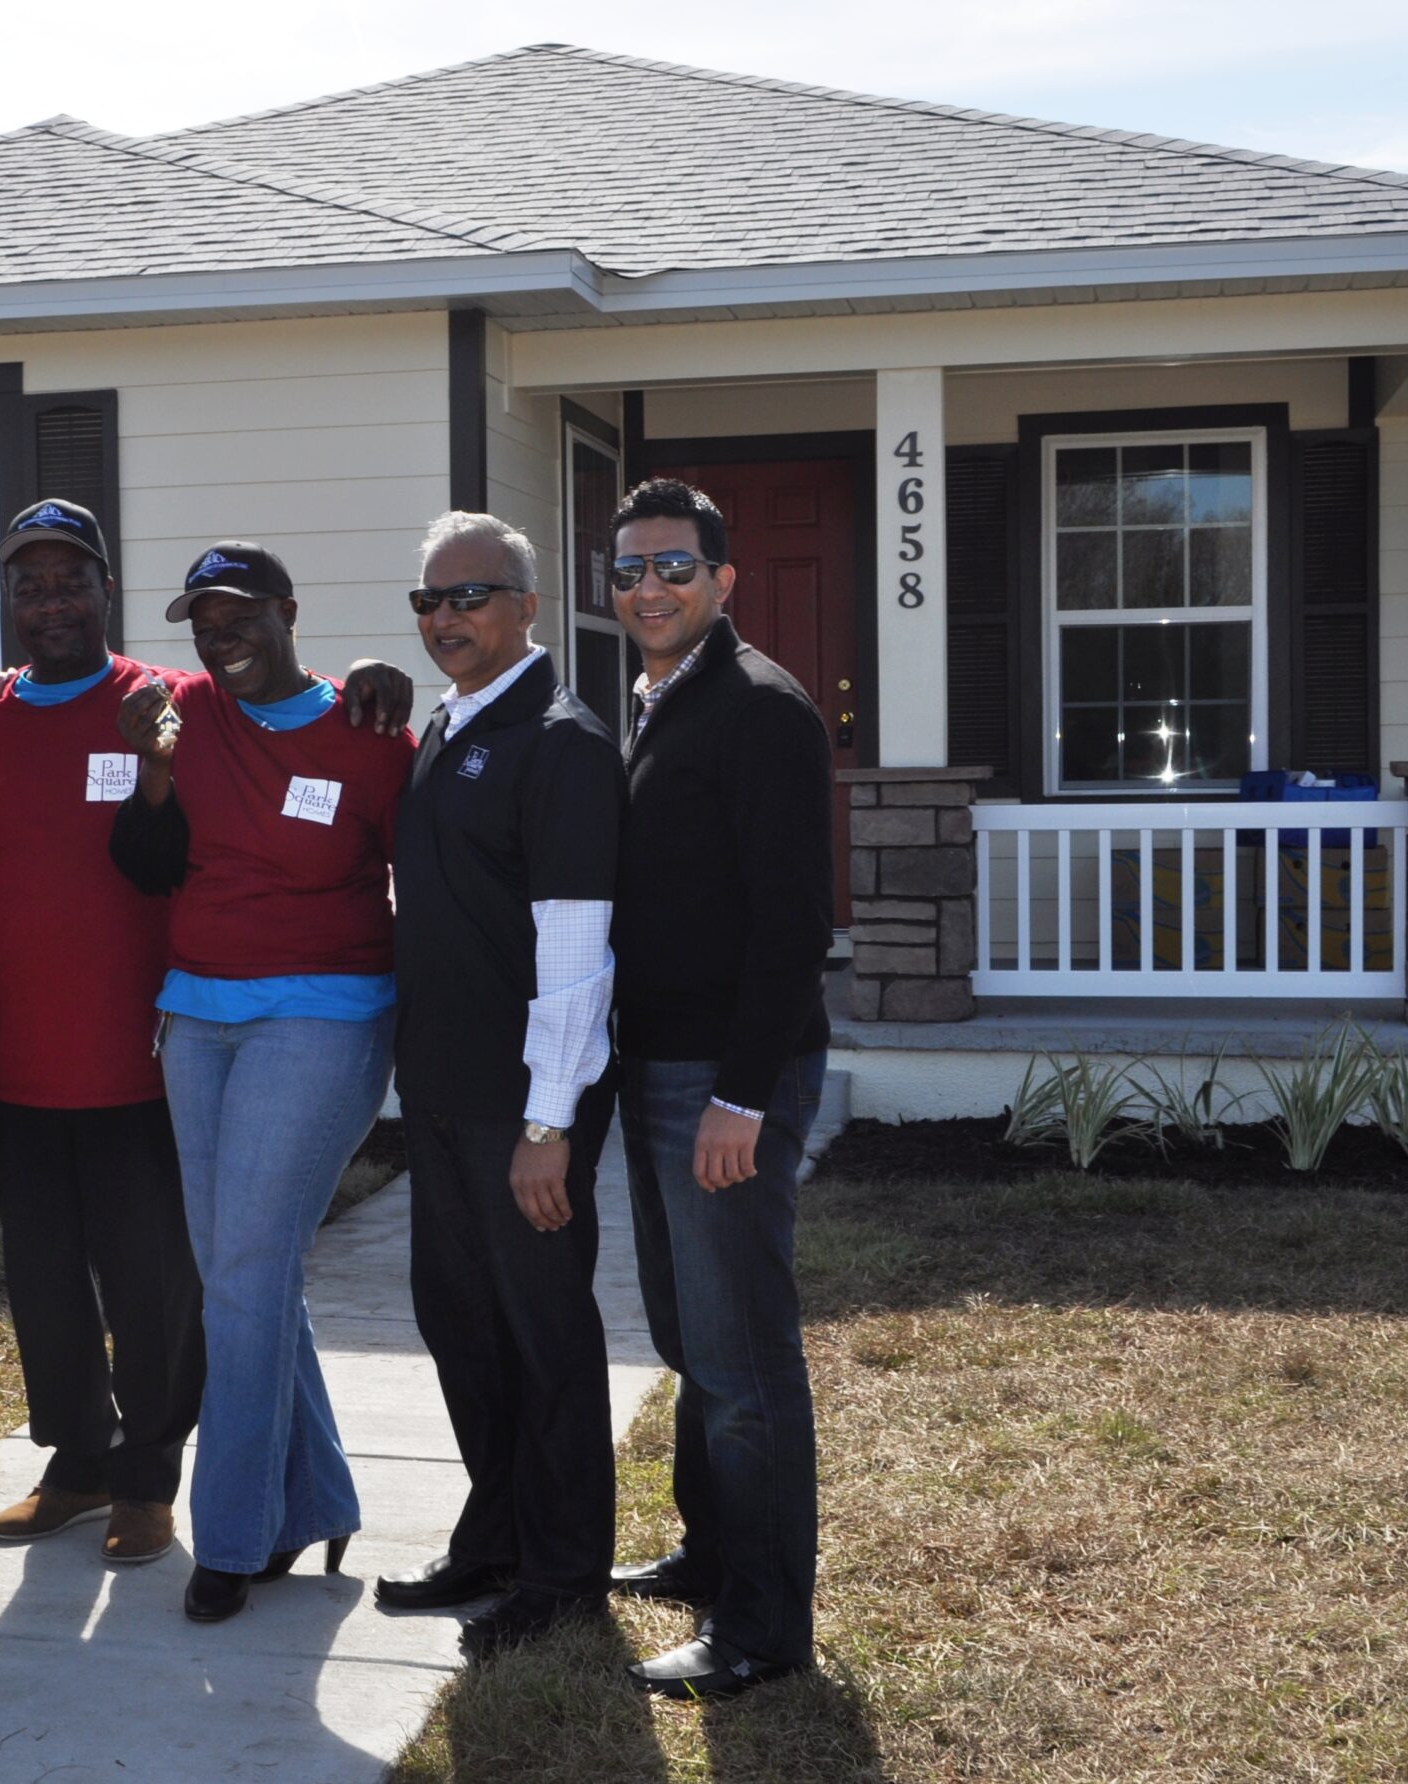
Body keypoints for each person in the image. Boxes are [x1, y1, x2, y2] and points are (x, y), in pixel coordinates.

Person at [108, 540, 414, 1623]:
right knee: (244, 1270)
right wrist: (139, 762)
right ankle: (321, 1496)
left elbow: (418, 881)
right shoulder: (178, 715)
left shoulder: (370, 734)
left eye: (238, 612)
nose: (218, 633)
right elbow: (140, 860)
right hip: (196, 1016)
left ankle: (234, 1532)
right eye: (202, 617)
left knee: (242, 1269)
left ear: (288, 610)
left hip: (323, 1016)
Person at [376, 512, 626, 1662]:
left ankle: (565, 1571)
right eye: (428, 601)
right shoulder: (446, 722)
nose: (444, 619)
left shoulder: (559, 742)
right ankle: (494, 1536)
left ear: (526, 606)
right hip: (438, 1090)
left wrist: (547, 1122)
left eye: (468, 597)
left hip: (521, 1107)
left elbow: (577, 952)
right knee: (460, 1321)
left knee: (544, 1334)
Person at [602, 478, 836, 1699]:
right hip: (660, 1062)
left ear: (723, 581)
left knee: (742, 1355)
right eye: (631, 568)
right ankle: (711, 1551)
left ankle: (760, 1626)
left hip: (725, 1076)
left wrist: (741, 1098)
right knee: (693, 1335)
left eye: (674, 567)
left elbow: (797, 923)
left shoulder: (759, 709)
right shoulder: (657, 700)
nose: (651, 586)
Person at [0, 499, 204, 1567]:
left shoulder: (163, 701)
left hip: (139, 1063)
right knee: (43, 1280)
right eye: (30, 582)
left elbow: (277, 713)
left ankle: (148, 1476)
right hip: (20, 1064)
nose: (51, 598)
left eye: (70, 578)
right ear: (12, 600)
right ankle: (77, 1460)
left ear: (105, 588)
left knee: (147, 1283)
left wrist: (366, 682)